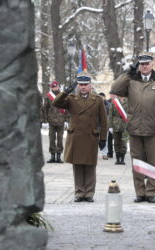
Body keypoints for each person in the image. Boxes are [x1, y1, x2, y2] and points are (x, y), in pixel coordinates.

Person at [110, 52, 155, 203]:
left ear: (152, 64)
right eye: (142, 64)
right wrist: (128, 73)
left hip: (154, 129)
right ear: (139, 65)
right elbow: (115, 89)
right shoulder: (131, 81)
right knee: (137, 162)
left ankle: (151, 192)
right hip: (135, 128)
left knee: (153, 162)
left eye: (147, 63)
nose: (144, 66)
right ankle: (140, 192)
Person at [53, 72, 107, 202]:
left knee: (90, 166)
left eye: (85, 85)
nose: (83, 87)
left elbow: (104, 121)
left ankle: (89, 193)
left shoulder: (97, 100)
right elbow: (56, 102)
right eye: (81, 85)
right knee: (77, 165)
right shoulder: (71, 98)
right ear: (77, 86)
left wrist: (103, 138)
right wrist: (65, 91)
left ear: (90, 86)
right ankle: (79, 192)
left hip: (90, 136)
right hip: (76, 136)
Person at [42, 80, 69, 163]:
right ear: (51, 87)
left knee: (60, 139)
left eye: (56, 86)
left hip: (61, 121)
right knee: (52, 139)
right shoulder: (48, 96)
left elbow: (67, 108)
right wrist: (45, 121)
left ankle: (59, 156)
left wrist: (67, 121)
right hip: (51, 121)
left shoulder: (63, 96)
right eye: (53, 87)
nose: (55, 88)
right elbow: (44, 109)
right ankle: (53, 156)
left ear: (58, 86)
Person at [108, 95, 128, 165]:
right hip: (115, 124)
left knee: (123, 142)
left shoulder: (128, 101)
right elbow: (110, 115)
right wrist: (110, 126)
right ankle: (117, 159)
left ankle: (122, 159)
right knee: (116, 142)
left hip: (125, 124)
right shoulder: (114, 102)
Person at [99, 92, 110, 160]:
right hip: (96, 125)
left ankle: (105, 154)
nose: (101, 98)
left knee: (105, 140)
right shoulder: (95, 104)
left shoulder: (108, 105)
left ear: (104, 97)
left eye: (102, 97)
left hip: (105, 126)